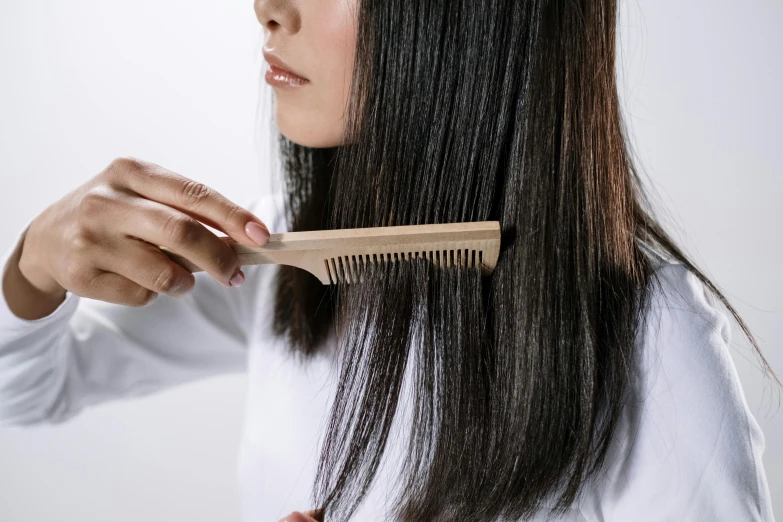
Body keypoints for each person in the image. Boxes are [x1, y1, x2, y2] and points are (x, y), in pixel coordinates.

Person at [0, 0, 778, 521]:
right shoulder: (274, 266)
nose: (268, 6)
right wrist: (32, 268)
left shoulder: (647, 335)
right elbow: (29, 393)